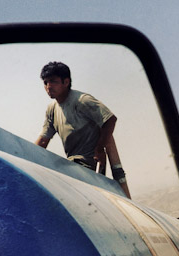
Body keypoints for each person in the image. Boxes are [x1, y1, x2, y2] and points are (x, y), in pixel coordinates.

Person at [34, 61, 130, 197]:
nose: (48, 86)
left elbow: (110, 119)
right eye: (45, 82)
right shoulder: (52, 109)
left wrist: (99, 148)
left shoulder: (81, 101)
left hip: (87, 165)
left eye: (53, 81)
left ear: (66, 82)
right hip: (71, 164)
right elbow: (43, 140)